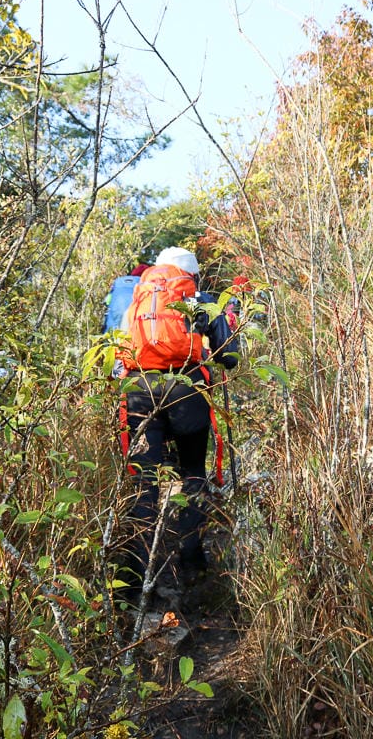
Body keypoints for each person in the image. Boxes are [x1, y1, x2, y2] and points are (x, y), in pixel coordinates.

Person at [117, 246, 238, 594]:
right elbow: (228, 356)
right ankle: (192, 565)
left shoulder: (135, 296)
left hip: (139, 389)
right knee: (192, 474)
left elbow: (117, 355)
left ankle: (135, 580)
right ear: (192, 274)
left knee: (145, 484)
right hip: (187, 390)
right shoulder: (201, 297)